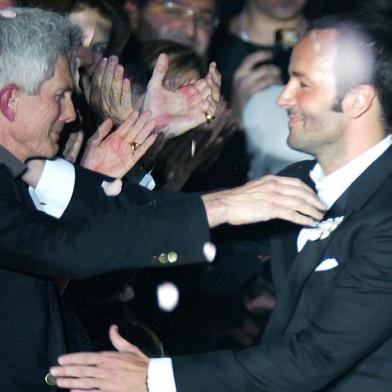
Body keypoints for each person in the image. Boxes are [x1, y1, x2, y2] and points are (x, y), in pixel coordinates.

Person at [52, 15, 392, 391]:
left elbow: (314, 360)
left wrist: (155, 378)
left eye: (303, 84)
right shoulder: (297, 179)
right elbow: (173, 245)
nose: (283, 97)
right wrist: (154, 135)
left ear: (359, 100)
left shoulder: (385, 214)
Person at [0, 7, 324, 391]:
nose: (71, 114)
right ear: (10, 101)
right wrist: (222, 206)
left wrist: (151, 133)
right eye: (60, 96)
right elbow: (66, 247)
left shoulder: (21, 173)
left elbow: (98, 216)